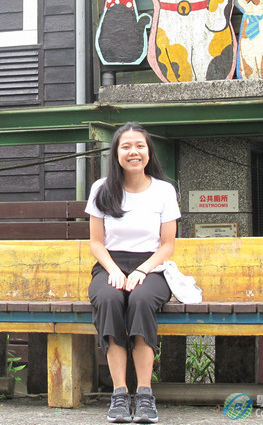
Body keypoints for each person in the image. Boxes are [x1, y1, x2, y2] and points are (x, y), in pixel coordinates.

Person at [86, 122, 180, 424]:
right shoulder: (101, 189)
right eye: (125, 146)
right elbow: (96, 243)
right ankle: (119, 393)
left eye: (139, 145)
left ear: (149, 152)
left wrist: (142, 269)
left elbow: (167, 246)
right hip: (110, 265)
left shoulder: (164, 190)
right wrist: (113, 270)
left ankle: (144, 394)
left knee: (140, 300)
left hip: (151, 267)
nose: (133, 152)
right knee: (109, 299)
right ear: (116, 153)